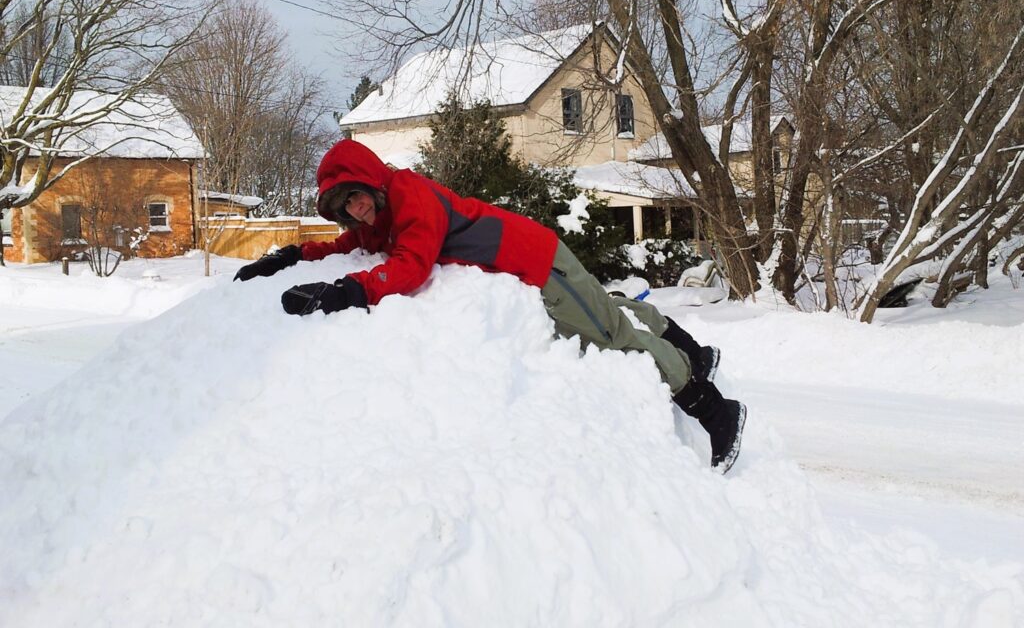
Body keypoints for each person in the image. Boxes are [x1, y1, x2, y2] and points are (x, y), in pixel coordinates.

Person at [234, 139, 747, 472]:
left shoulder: (411, 198)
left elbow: (410, 266)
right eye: (345, 205)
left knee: (609, 335)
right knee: (605, 311)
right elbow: (352, 247)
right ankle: (691, 350)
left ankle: (715, 409)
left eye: (356, 196)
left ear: (370, 182)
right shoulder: (382, 212)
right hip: (529, 260)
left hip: (535, 261)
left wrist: (349, 291)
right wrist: (293, 255)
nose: (355, 209)